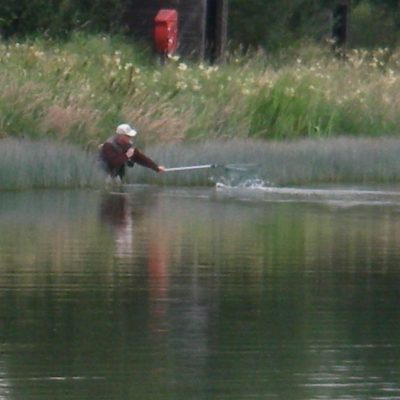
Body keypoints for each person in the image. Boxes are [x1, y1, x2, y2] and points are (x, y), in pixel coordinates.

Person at [98, 123, 165, 181]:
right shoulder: (108, 145)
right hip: (104, 171)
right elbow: (113, 162)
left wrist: (156, 168)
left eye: (130, 136)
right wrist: (126, 156)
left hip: (117, 172)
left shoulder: (128, 145)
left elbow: (140, 158)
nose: (130, 138)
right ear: (120, 136)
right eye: (128, 136)